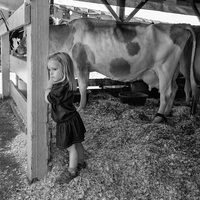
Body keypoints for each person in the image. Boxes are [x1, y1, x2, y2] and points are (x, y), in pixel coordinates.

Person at [45, 52, 86, 184]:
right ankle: (81, 162)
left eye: (54, 69)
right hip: (73, 118)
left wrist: (47, 87)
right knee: (77, 142)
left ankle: (72, 171)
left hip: (66, 122)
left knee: (71, 147)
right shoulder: (67, 83)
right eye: (49, 70)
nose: (51, 73)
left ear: (65, 69)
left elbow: (48, 99)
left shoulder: (59, 88)